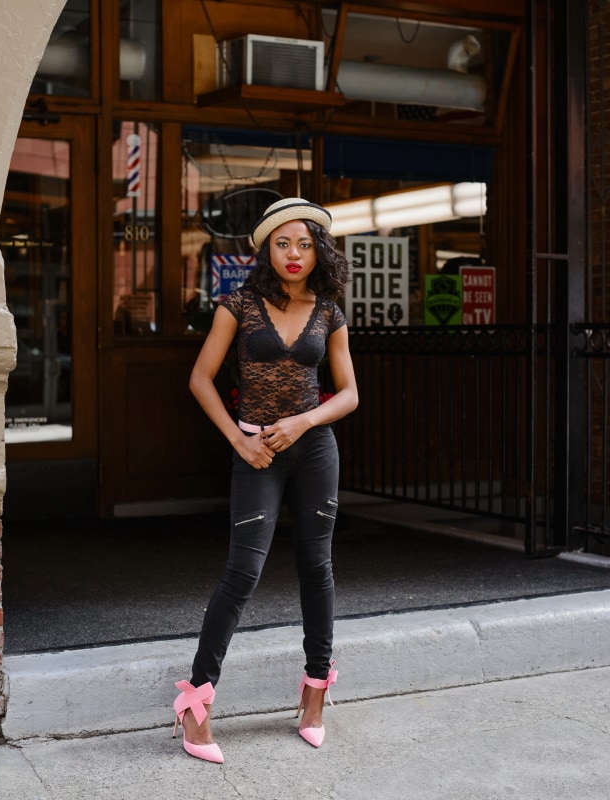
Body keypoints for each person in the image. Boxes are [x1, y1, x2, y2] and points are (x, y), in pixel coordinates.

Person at [173, 197, 358, 763]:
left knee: (316, 568)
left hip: (314, 449)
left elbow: (349, 394)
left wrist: (304, 419)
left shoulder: (328, 309)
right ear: (266, 250)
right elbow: (201, 379)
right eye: (283, 243)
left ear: (318, 250)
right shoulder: (239, 303)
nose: (294, 253)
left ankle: (314, 693)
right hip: (255, 451)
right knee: (242, 572)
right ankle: (195, 703)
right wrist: (238, 439)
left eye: (304, 244)